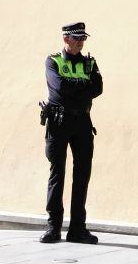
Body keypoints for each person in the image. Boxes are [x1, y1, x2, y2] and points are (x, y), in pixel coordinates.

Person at [40, 21, 103, 244]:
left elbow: (98, 88)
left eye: (83, 38)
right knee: (57, 173)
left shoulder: (89, 63)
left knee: (82, 174)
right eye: (77, 38)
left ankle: (77, 229)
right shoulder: (53, 61)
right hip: (59, 122)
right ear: (66, 38)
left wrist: (73, 89)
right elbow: (59, 88)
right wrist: (83, 89)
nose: (81, 42)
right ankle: (53, 227)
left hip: (83, 122)